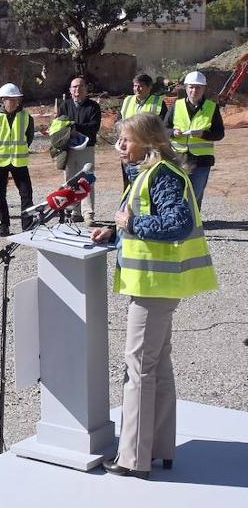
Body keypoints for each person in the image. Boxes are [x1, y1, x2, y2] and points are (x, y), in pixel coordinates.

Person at [89, 114, 218, 478]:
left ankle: (133, 459)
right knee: (157, 367)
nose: (121, 147)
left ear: (147, 141)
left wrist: (130, 224)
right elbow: (141, 221)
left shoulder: (162, 175)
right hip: (152, 286)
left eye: (126, 141)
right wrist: (114, 234)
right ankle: (160, 448)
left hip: (153, 288)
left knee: (139, 370)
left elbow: (177, 223)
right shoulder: (148, 174)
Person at [164, 71, 224, 208]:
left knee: (196, 192)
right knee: (178, 192)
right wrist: (173, 132)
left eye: (198, 87)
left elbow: (219, 134)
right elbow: (164, 129)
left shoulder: (211, 107)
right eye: (191, 87)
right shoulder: (176, 106)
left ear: (204, 89)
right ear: (186, 88)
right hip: (178, 157)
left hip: (202, 160)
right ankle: (181, 221)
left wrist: (203, 134)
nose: (194, 90)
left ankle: (194, 224)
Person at [0, 83, 34, 237]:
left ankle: (27, 225)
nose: (14, 102)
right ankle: (4, 225)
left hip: (19, 161)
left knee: (26, 194)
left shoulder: (26, 116)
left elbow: (29, 138)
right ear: (3, 100)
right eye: (11, 99)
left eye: (16, 99)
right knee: (0, 196)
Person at [56, 76, 102, 223]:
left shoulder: (93, 107)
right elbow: (60, 125)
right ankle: (74, 212)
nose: (77, 89)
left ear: (86, 89)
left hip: (86, 148)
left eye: (80, 86)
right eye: (74, 87)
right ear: (70, 90)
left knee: (87, 180)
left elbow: (93, 127)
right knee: (70, 180)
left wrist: (74, 126)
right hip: (69, 148)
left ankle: (88, 213)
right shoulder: (64, 106)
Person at [118, 73, 167, 187]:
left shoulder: (158, 102)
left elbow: (162, 125)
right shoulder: (127, 101)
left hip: (148, 148)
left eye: (140, 86)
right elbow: (120, 120)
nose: (137, 89)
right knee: (128, 180)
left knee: (145, 179)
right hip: (129, 148)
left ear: (149, 87)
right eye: (135, 86)